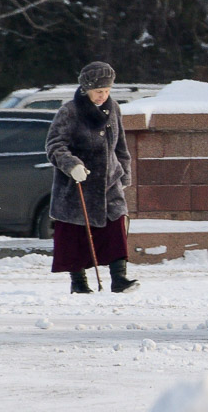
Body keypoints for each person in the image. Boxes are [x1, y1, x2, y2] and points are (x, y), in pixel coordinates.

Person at [45, 61, 138, 294]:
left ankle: (119, 278)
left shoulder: (113, 108)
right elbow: (55, 145)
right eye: (98, 91)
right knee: (76, 235)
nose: (102, 96)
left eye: (106, 91)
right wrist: (72, 164)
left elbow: (121, 146)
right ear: (86, 89)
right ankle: (79, 283)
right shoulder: (69, 111)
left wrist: (124, 175)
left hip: (109, 183)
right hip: (77, 185)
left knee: (115, 228)